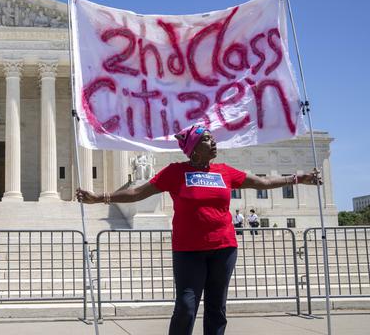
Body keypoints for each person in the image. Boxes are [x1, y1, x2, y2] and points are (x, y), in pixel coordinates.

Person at [75, 125, 321, 335]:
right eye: (206, 139)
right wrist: (101, 197)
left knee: (216, 307)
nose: (213, 142)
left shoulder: (224, 171)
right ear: (193, 148)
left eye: (212, 138)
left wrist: (298, 179)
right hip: (188, 249)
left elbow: (263, 182)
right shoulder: (175, 172)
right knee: (186, 306)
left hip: (223, 247)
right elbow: (138, 192)